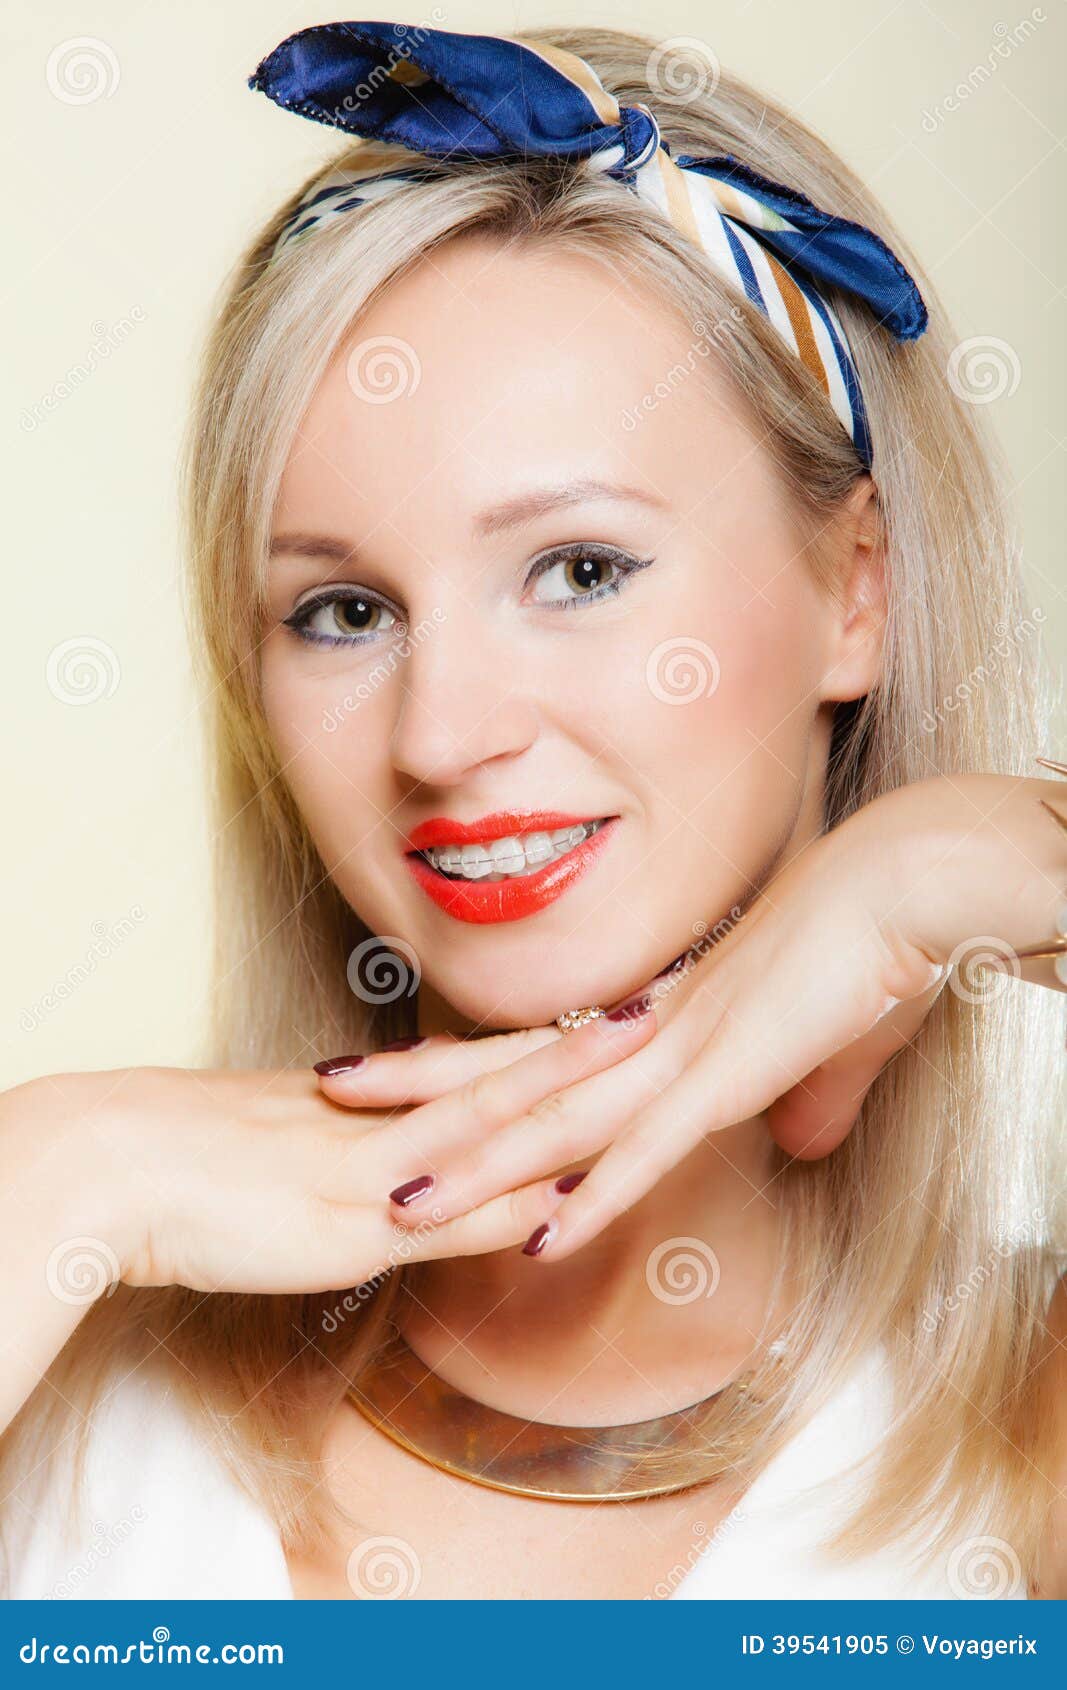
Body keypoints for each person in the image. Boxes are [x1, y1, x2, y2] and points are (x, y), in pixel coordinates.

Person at [2, 20, 1065, 1602]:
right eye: (346, 612)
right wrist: (55, 1177)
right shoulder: (58, 1356)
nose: (442, 735)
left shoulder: (1020, 1432)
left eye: (579, 572)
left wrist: (988, 865)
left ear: (857, 590)